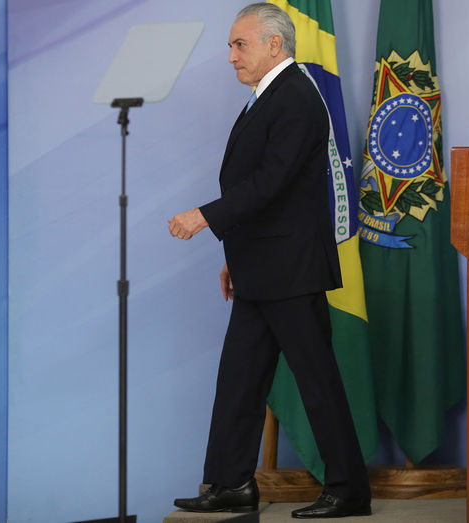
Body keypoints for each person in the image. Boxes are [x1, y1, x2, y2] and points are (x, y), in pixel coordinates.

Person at [167, 2, 371, 519]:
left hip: (292, 269)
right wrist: (236, 255)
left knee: (316, 380)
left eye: (240, 44)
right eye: (232, 45)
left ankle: (348, 488)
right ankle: (232, 482)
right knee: (239, 379)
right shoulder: (269, 95)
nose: (231, 56)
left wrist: (205, 217)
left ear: (274, 45)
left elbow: (271, 183)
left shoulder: (297, 95)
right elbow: (258, 185)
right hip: (262, 266)